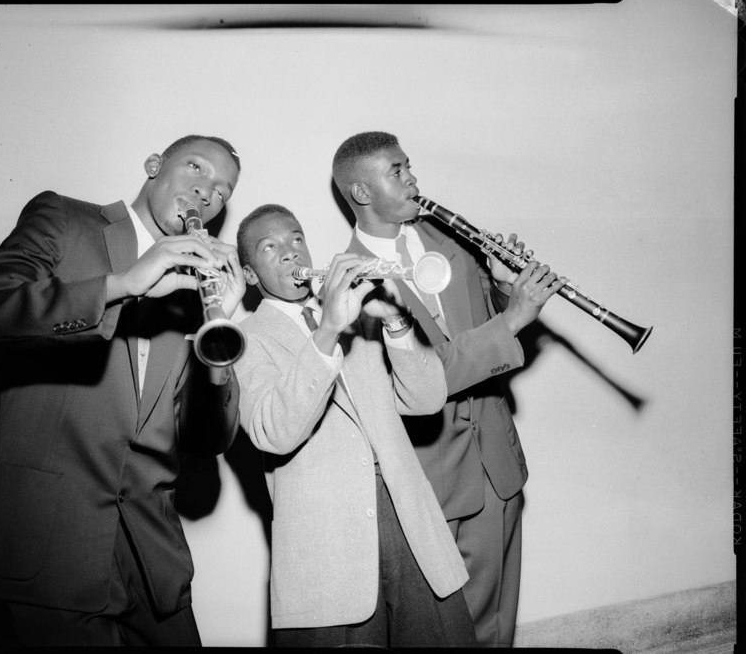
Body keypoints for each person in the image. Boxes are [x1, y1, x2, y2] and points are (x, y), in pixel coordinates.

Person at [0, 134, 245, 646]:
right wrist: (122, 285)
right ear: (154, 164)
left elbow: (205, 440)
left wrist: (218, 341)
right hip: (50, 547)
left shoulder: (200, 283)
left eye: (222, 191)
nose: (206, 192)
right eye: (196, 168)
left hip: (153, 561)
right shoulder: (66, 219)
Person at [332, 131, 566, 647]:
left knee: (497, 622)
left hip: (495, 460)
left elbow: (483, 322)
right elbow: (424, 376)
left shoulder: (452, 244)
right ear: (362, 192)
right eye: (396, 170)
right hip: (432, 476)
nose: (412, 178)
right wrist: (513, 319)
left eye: (409, 166)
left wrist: (504, 285)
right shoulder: (348, 285)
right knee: (447, 631)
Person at [233, 204, 476, 648]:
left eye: (296, 238)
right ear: (250, 275)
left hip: (410, 522)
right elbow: (275, 433)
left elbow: (427, 400)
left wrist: (395, 320)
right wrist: (326, 333)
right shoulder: (243, 339)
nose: (290, 252)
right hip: (327, 545)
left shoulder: (360, 315)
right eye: (270, 247)